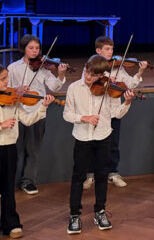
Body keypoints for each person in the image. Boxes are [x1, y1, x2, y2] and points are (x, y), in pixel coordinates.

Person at [63, 55, 135, 234]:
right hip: (82, 138)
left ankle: (100, 211)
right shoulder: (74, 88)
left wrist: (126, 102)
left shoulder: (109, 89)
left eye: (94, 76)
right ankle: (74, 215)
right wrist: (83, 118)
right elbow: (67, 114)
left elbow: (116, 114)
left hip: (104, 136)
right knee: (78, 176)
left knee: (102, 175)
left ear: (102, 75)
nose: (88, 77)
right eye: (87, 72)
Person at [83, 36, 148, 189]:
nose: (110, 51)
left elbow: (130, 84)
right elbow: (87, 84)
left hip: (114, 111)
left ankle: (112, 173)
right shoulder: (91, 67)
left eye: (111, 48)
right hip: (96, 112)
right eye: (107, 49)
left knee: (113, 144)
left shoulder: (118, 67)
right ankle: (90, 174)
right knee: (93, 144)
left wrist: (140, 71)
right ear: (98, 50)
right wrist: (104, 78)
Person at [7, 34, 67, 195]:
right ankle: (8, 183)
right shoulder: (13, 68)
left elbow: (54, 87)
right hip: (18, 113)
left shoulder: (43, 68)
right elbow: (7, 88)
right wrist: (18, 90)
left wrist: (61, 74)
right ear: (24, 49)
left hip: (38, 112)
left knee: (33, 151)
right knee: (15, 151)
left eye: (37, 48)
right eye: (31, 48)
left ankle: (28, 181)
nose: (35, 51)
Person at [0, 65, 55, 238]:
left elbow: (28, 120)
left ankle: (11, 223)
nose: (7, 82)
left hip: (9, 149)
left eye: (6, 78)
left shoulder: (13, 99)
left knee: (8, 188)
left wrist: (43, 106)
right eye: (2, 79)